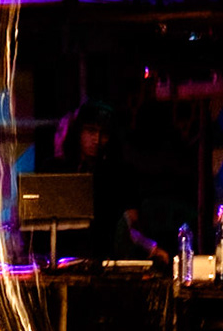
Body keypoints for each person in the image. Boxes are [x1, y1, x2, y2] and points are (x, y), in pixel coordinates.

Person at [53, 102, 166, 266]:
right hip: (62, 259)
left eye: (103, 134)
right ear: (78, 132)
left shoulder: (119, 174)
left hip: (102, 260)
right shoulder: (57, 169)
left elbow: (132, 223)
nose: (97, 140)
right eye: (91, 131)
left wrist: (151, 248)